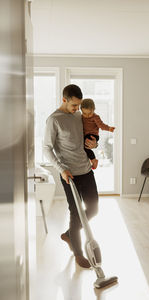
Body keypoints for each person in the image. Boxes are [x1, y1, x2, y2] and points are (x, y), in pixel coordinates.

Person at [43, 84, 99, 268]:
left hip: (86, 170)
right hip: (70, 175)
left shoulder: (77, 116)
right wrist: (61, 169)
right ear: (64, 100)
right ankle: (78, 253)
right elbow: (47, 148)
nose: (77, 109)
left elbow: (83, 140)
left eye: (79, 105)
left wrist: (93, 149)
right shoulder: (54, 120)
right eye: (74, 105)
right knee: (76, 214)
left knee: (93, 209)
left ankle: (69, 234)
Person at [81, 98, 115, 170]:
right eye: (84, 113)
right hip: (85, 135)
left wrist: (109, 128)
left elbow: (101, 125)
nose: (87, 116)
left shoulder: (95, 117)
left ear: (94, 109)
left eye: (89, 113)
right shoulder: (80, 117)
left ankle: (93, 160)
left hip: (93, 135)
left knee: (85, 147)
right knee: (84, 148)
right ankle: (92, 160)